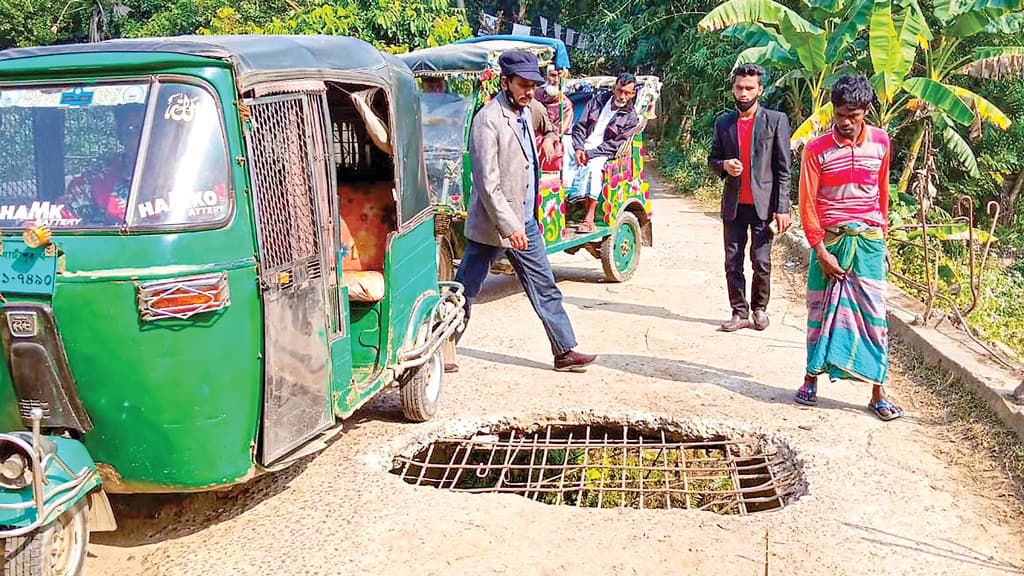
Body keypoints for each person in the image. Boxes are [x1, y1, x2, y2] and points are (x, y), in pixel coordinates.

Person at [454, 50, 596, 372]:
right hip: (493, 226)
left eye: (534, 85)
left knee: (544, 285)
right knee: (465, 290)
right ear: (506, 82)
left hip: (526, 221)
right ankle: (443, 348)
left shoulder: (530, 108)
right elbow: (487, 185)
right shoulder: (487, 120)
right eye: (523, 85)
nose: (530, 91)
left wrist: (548, 137)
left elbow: (550, 125)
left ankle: (564, 351)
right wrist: (509, 226)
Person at [795, 74, 903, 421]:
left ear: (866, 112)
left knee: (875, 318)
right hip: (830, 240)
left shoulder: (882, 143)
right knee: (820, 312)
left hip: (869, 242)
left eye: (852, 116)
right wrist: (820, 251)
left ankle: (878, 391)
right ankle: (811, 378)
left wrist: (882, 237)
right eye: (839, 114)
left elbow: (882, 194)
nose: (844, 122)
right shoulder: (816, 149)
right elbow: (807, 203)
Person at [708, 64, 792, 332]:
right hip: (733, 205)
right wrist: (724, 165)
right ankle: (738, 311)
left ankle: (759, 309)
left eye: (749, 88)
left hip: (763, 206)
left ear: (760, 90)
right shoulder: (724, 123)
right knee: (732, 261)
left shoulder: (776, 120)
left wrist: (782, 208)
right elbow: (712, 159)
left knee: (761, 261)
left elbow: (783, 169)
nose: (743, 93)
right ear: (733, 89)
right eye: (739, 88)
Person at [564, 73, 639, 233]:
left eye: (627, 93)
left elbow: (614, 145)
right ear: (614, 88)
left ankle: (589, 218)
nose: (622, 95)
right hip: (583, 145)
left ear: (633, 94)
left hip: (603, 152)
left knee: (593, 167)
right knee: (562, 145)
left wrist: (589, 154)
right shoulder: (597, 101)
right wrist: (578, 148)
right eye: (619, 91)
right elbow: (580, 126)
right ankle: (562, 203)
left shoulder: (631, 118)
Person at [62, 103, 145, 225]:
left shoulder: (180, 178)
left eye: (153, 128)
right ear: (120, 136)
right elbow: (67, 225)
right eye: (133, 129)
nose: (143, 136)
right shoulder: (94, 179)